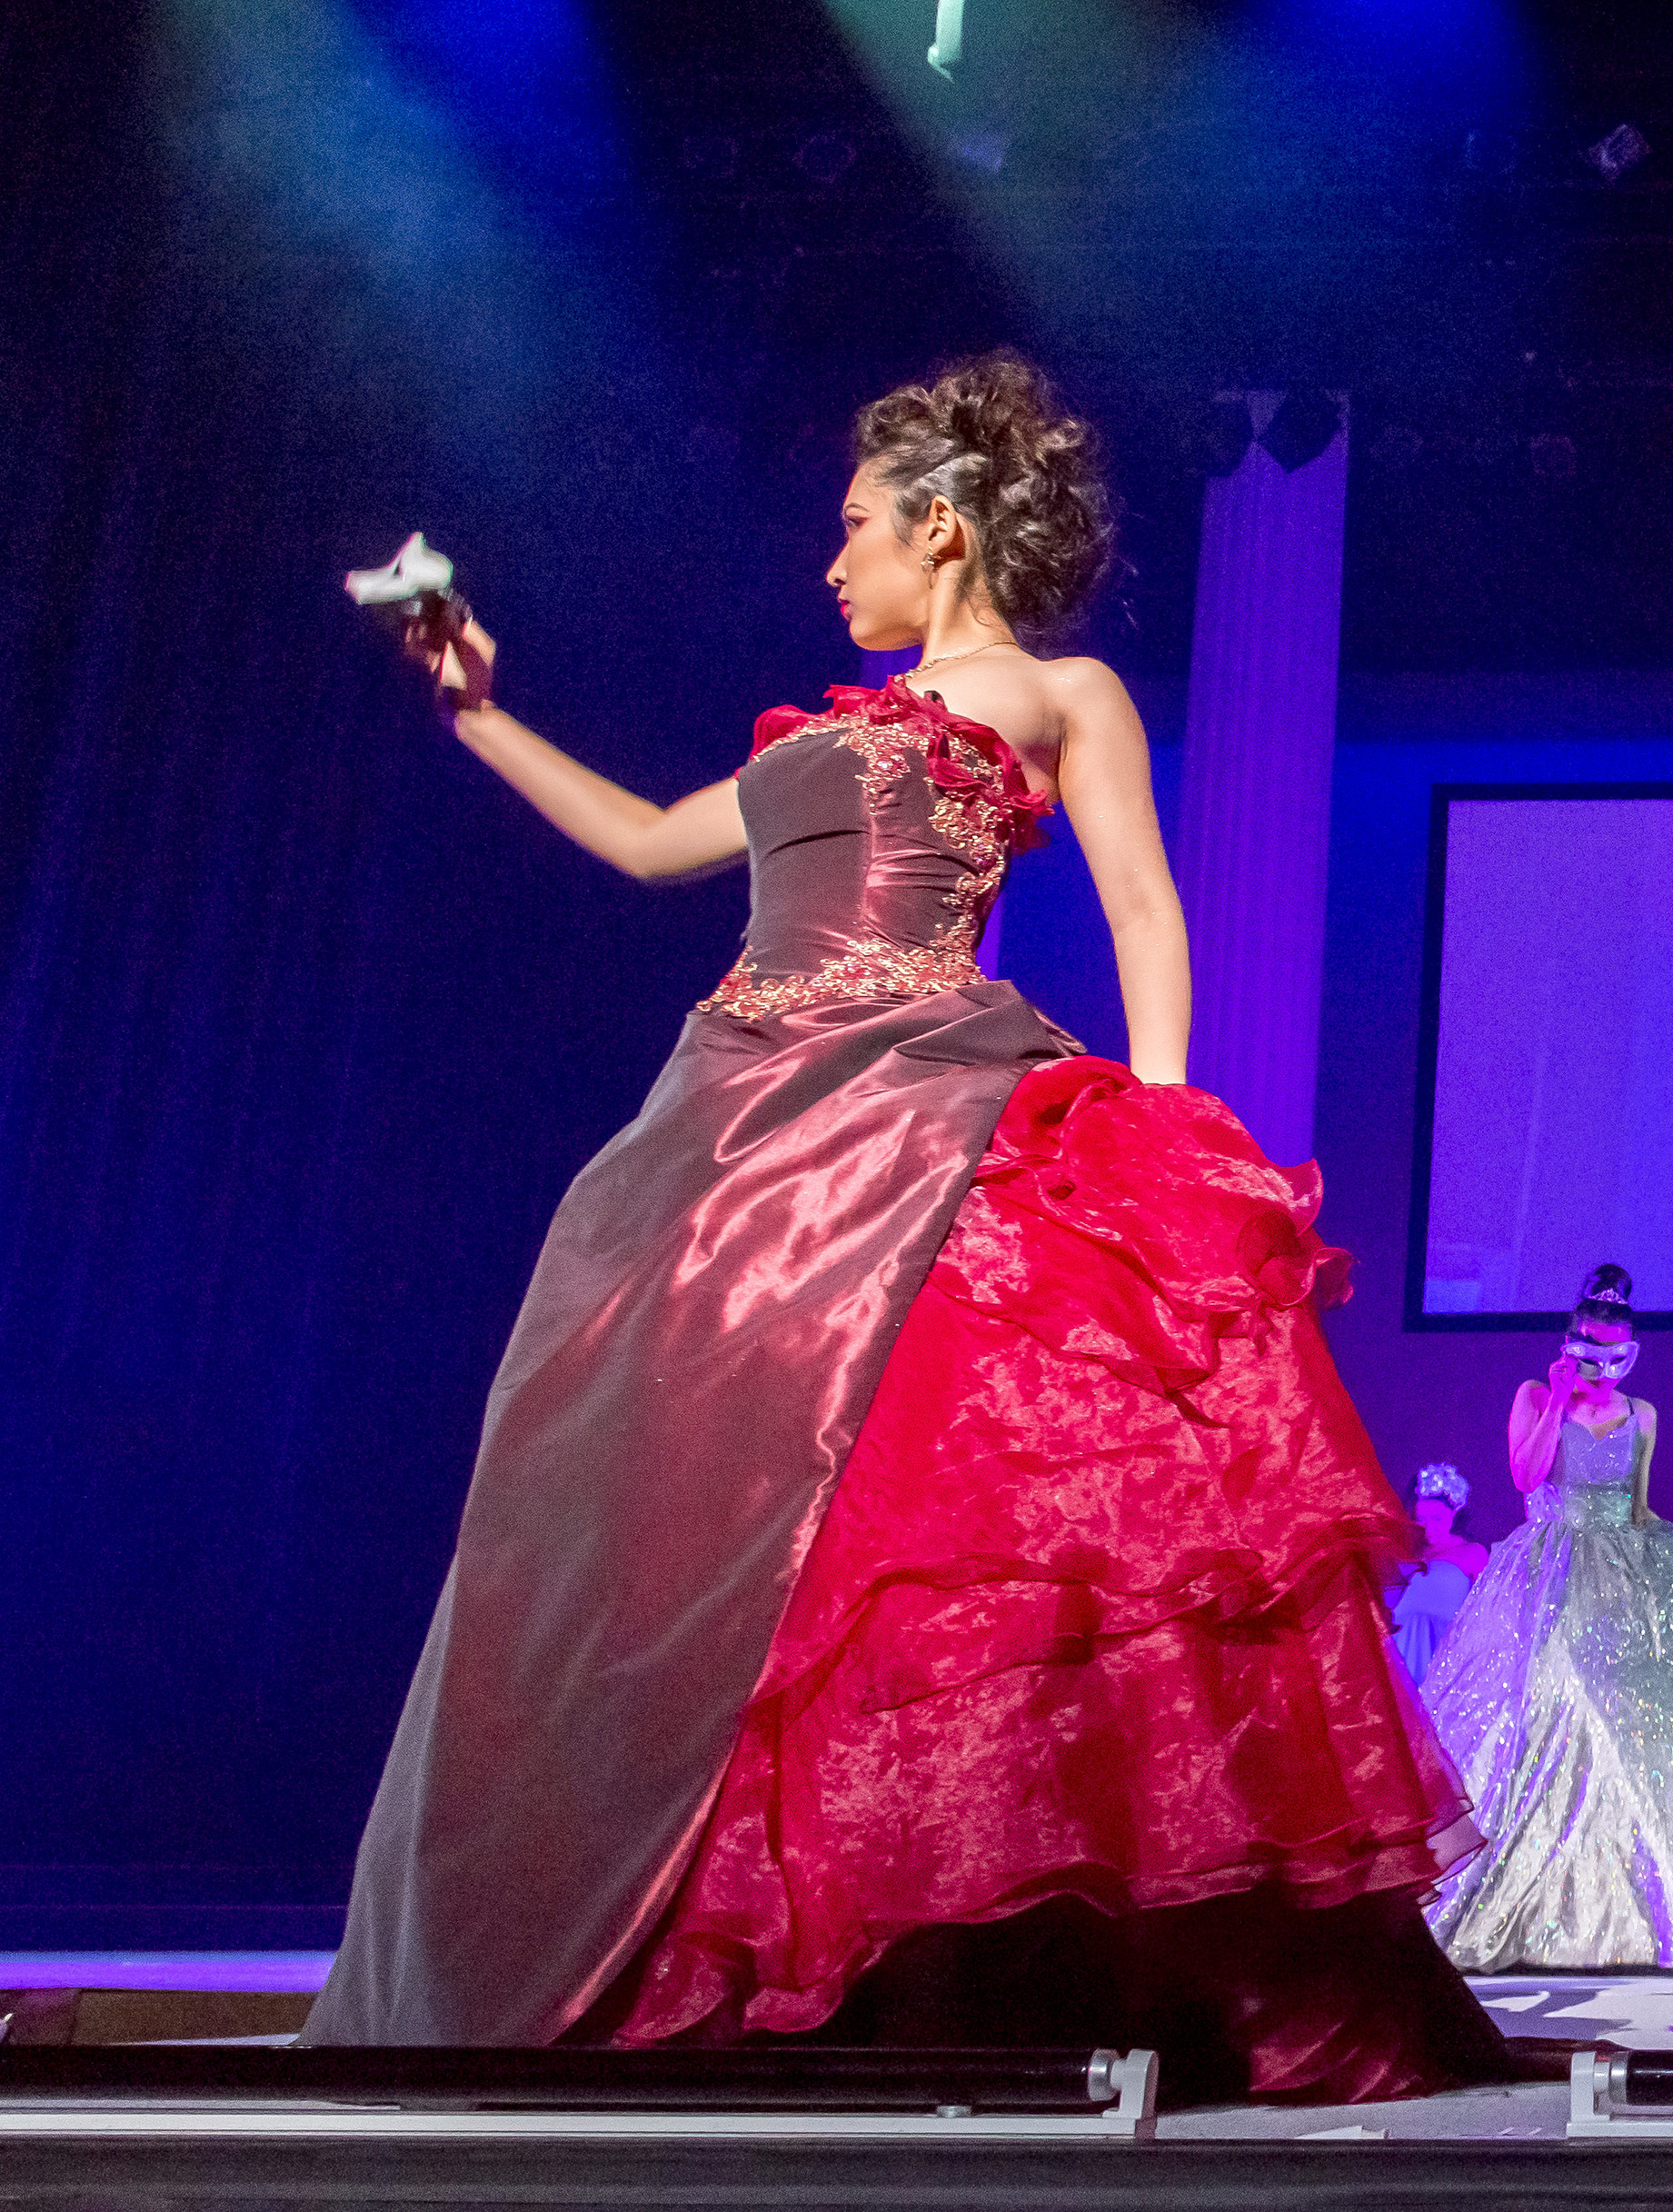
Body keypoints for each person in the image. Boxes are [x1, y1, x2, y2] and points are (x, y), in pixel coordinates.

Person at [307, 354, 1504, 2102]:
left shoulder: (1059, 693)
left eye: (856, 524)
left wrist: (1160, 1126)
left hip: (931, 1104)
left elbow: (1143, 906)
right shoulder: (816, 732)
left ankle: (954, 1954)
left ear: (939, 529)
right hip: (737, 1133)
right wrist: (473, 709)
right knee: (687, 1509)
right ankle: (653, 1925)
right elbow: (643, 843)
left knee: (950, 1503)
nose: (832, 559)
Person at [1418, 1267, 1673, 1970]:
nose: (1604, 1368)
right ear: (1570, 1345)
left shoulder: (1642, 1413)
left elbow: (1638, 1509)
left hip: (1619, 1576)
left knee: (1631, 1727)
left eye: (1617, 1356)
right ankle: (1525, 1894)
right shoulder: (1536, 1396)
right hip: (1546, 1570)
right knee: (1550, 1709)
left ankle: (1630, 1912)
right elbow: (1526, 1477)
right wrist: (1559, 1399)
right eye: (1591, 1352)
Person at [1389, 1465, 1489, 1690]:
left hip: (1445, 1656)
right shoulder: (1404, 1553)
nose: (1428, 1528)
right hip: (1398, 1653)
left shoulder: (1472, 1553)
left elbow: (1486, 1611)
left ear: (1454, 1514)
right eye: (1421, 1519)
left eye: (1437, 1518)